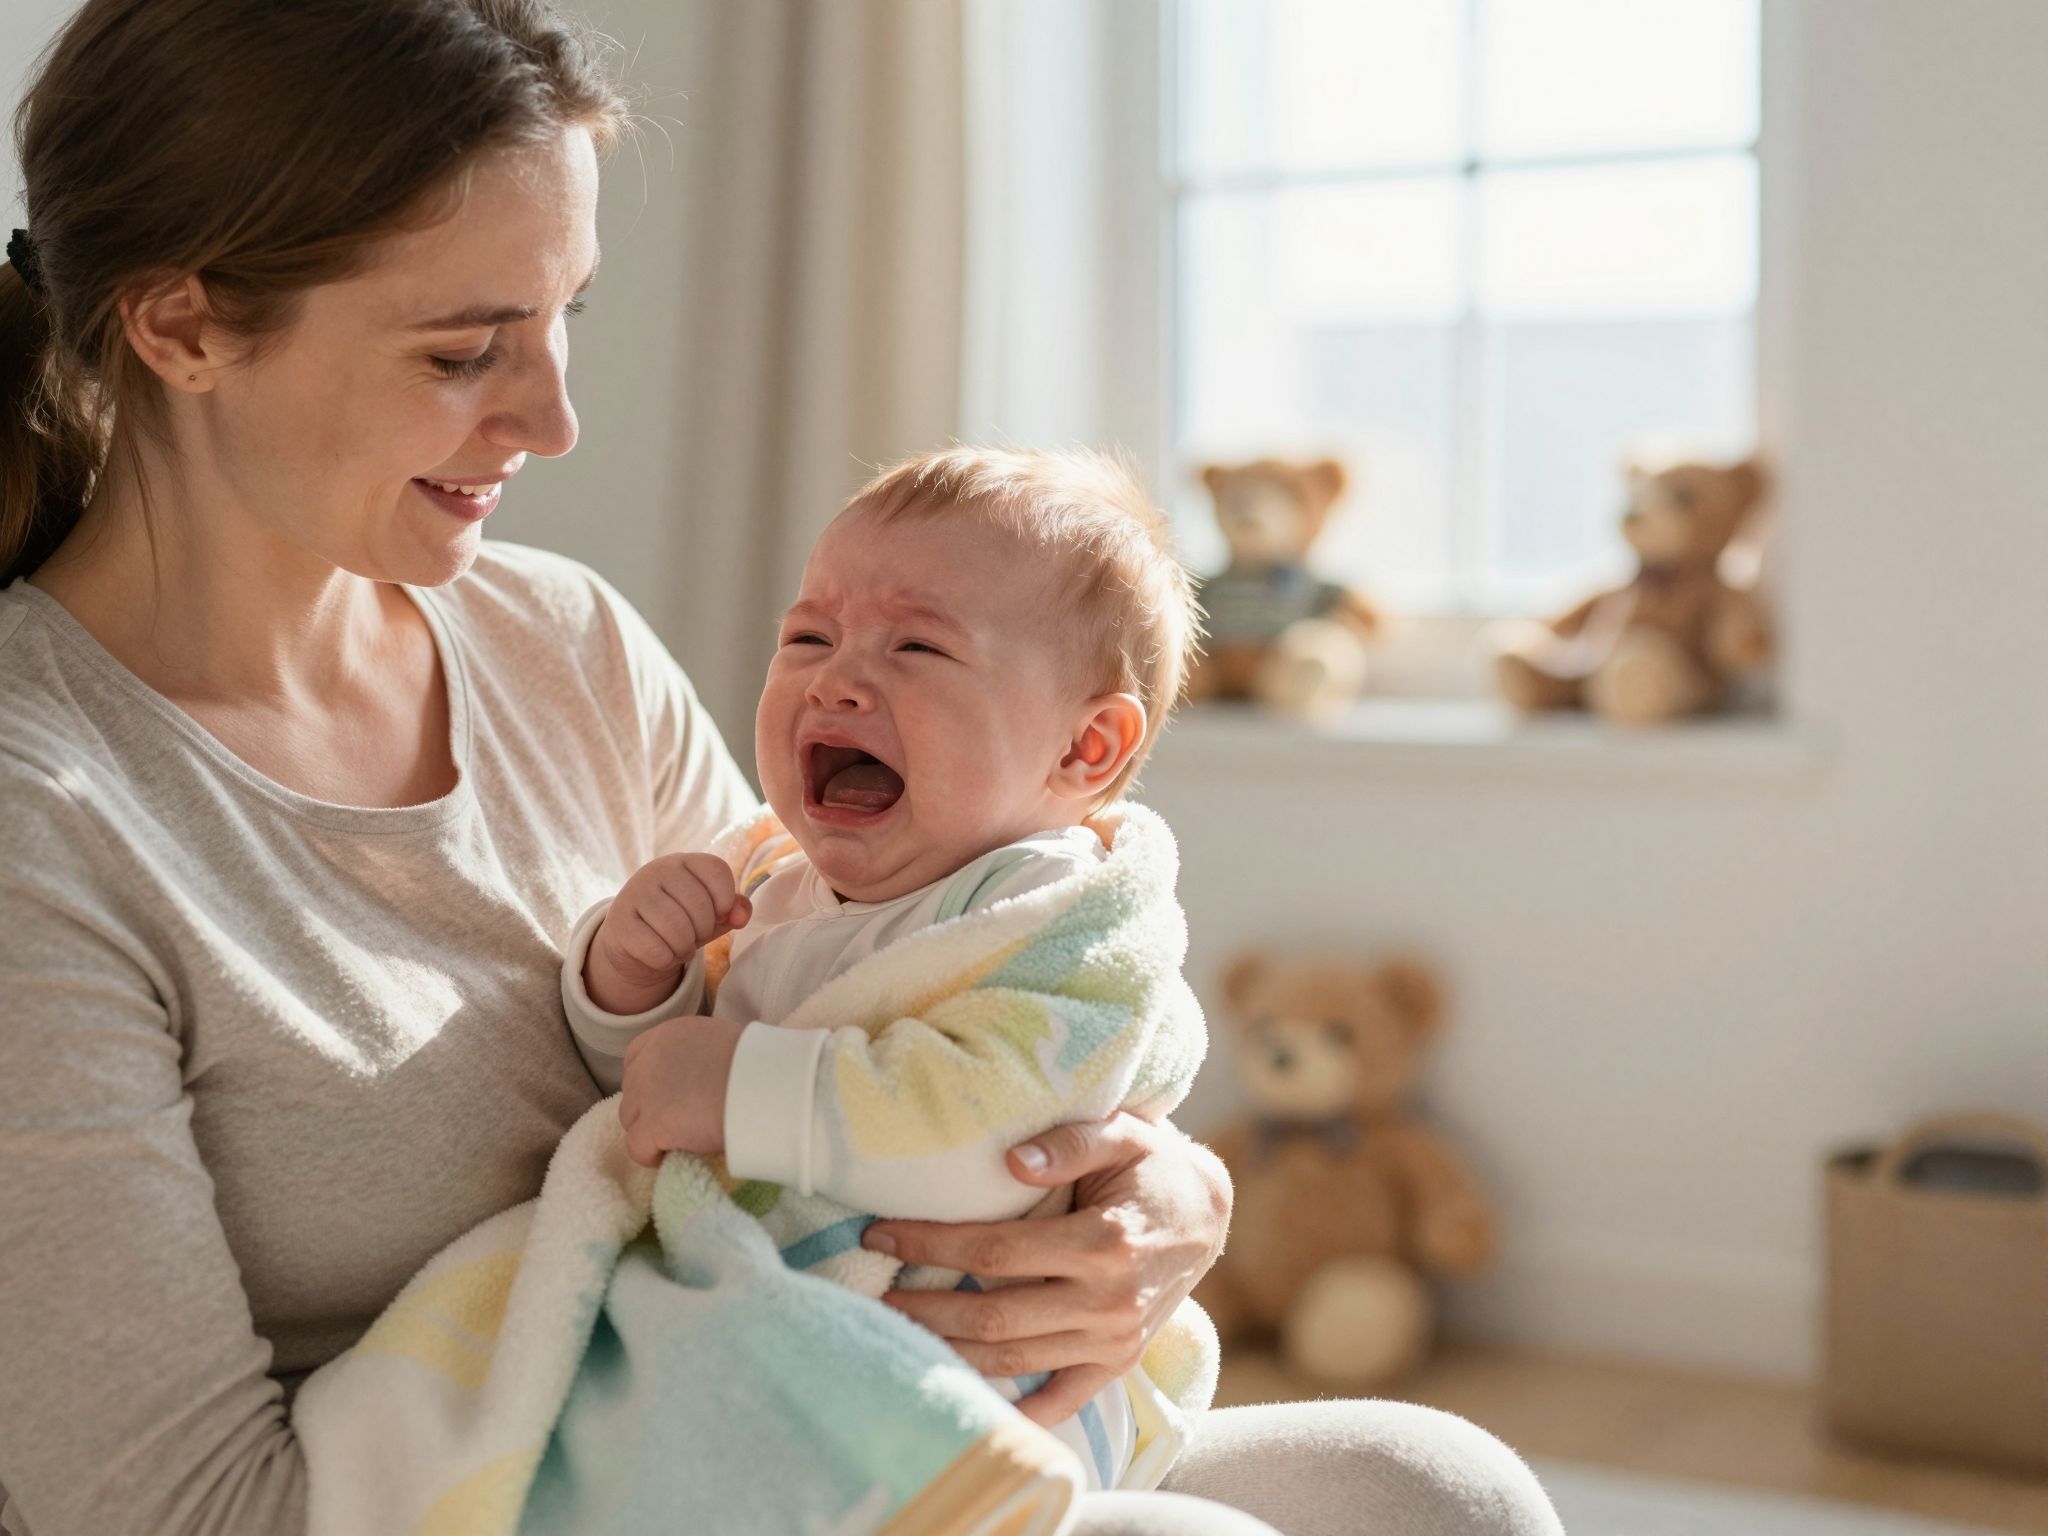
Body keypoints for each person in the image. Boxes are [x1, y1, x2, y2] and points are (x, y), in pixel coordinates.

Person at [0, 2, 1564, 1534]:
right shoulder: (44, 817)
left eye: (566, 319)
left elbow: (872, 971)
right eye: (467, 349)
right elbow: (183, 1511)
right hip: (481, 1494)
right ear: (183, 325)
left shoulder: (565, 646)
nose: (553, 418)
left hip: (784, 1393)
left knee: (1438, 1492)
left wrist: (1151, 1196)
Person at [567, 447, 1211, 1492]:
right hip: (782, 1333)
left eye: (916, 645)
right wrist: (633, 983)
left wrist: (736, 1088)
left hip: (987, 1380)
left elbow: (995, 1132)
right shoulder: (770, 872)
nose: (836, 678)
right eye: (807, 636)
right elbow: (649, 1096)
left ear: (1083, 750)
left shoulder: (1045, 917)